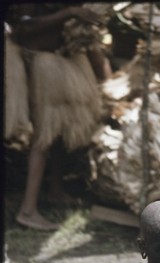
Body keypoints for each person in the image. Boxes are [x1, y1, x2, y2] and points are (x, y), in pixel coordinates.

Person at [5, 4, 111, 231]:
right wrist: (68, 13)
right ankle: (27, 211)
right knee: (43, 138)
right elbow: (23, 28)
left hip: (59, 59)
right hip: (36, 62)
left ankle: (55, 190)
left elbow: (93, 48)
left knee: (60, 127)